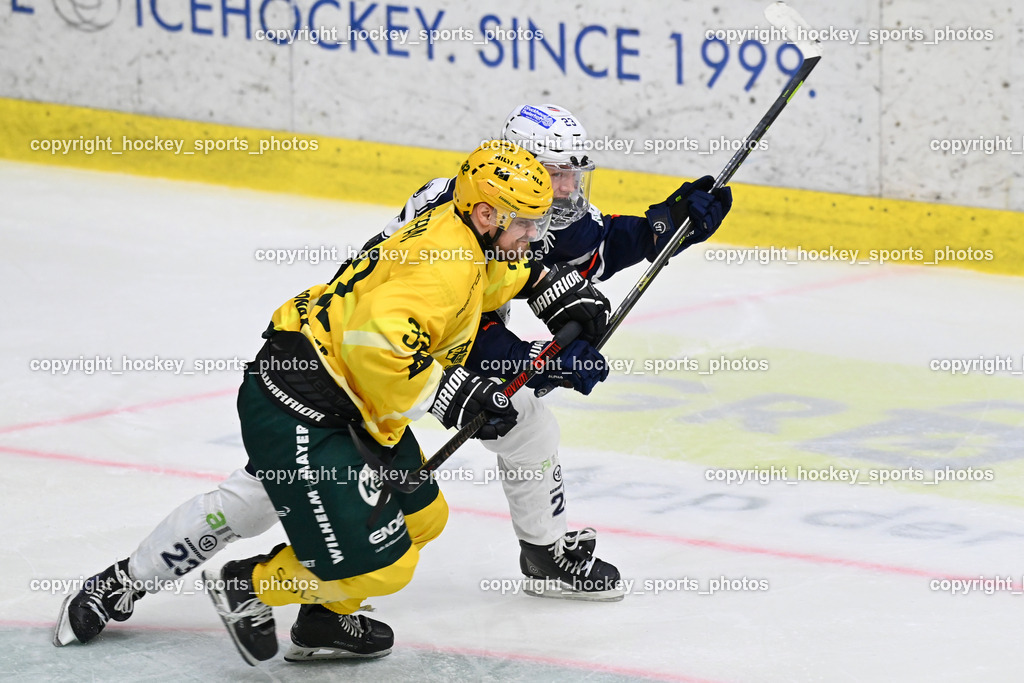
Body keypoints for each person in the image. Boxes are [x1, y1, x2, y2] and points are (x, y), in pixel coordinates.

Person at [54, 141, 614, 664]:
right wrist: (458, 395)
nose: (535, 234)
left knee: (424, 519)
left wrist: (557, 289)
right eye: (527, 222)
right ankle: (208, 584)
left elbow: (490, 279)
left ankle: (322, 618)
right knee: (336, 543)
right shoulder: (439, 267)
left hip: (356, 401)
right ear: (488, 215)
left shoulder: (461, 233)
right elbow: (378, 352)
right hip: (303, 401)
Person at [368, 104, 733, 601]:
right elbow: (459, 328)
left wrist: (665, 226)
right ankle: (250, 564)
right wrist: (538, 361)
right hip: (386, 355)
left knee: (527, 424)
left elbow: (594, 245)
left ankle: (543, 553)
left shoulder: (526, 205)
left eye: (573, 175)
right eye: (557, 175)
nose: (568, 189)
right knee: (317, 455)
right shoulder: (455, 219)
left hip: (416, 349)